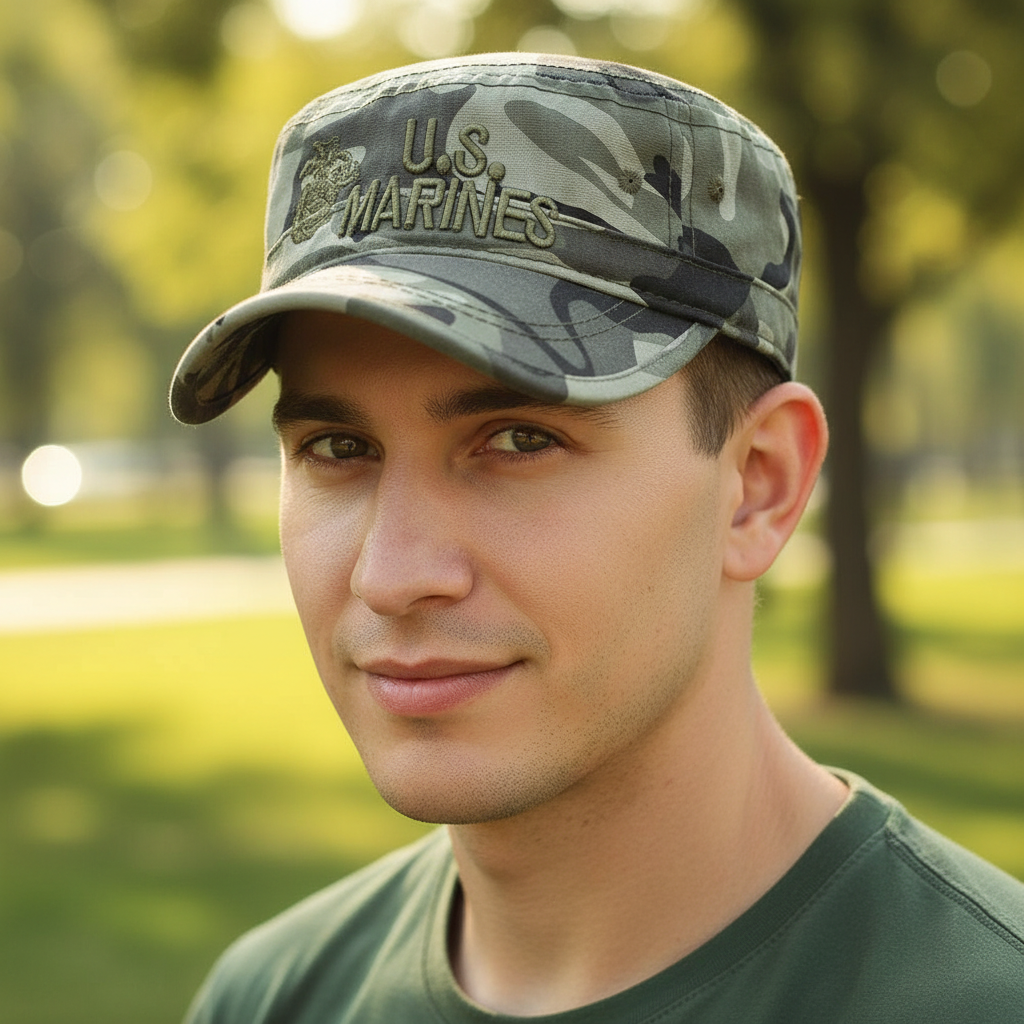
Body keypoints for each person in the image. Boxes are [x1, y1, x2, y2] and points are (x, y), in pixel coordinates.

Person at [171, 53, 1024, 1023]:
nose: (393, 575)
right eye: (338, 448)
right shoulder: (273, 997)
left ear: (758, 486)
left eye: (519, 441)